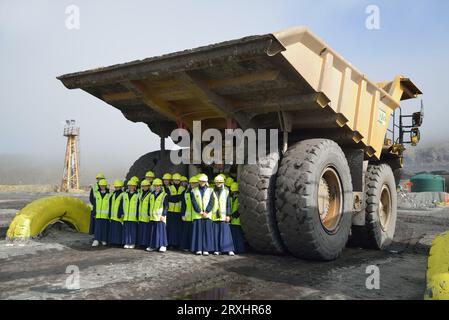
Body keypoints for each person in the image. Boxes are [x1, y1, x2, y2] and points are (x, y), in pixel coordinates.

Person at [190, 174, 215, 255]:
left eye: (203, 181)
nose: (202, 183)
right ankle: (198, 249)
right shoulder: (193, 190)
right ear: (198, 181)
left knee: (206, 233)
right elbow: (194, 202)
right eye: (200, 181)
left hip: (207, 215)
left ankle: (206, 249)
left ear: (206, 182)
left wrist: (206, 211)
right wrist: (199, 211)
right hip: (198, 215)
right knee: (198, 233)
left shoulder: (211, 190)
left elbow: (212, 202)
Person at [212, 175, 235, 256]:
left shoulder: (226, 191)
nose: (219, 184)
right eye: (217, 182)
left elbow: (228, 204)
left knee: (226, 233)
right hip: (214, 216)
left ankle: (229, 249)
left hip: (224, 216)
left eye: (220, 182)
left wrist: (228, 215)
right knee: (216, 234)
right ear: (215, 182)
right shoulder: (211, 191)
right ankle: (217, 249)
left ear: (223, 183)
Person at [147, 178, 169, 252]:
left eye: (158, 186)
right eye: (155, 186)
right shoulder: (151, 195)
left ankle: (163, 245)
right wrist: (148, 213)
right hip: (153, 217)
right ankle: (153, 246)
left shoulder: (164, 195)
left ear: (161, 186)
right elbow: (149, 205)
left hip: (160, 217)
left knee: (161, 232)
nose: (157, 187)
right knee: (153, 232)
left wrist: (163, 215)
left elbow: (166, 206)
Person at [166, 173, 185, 248]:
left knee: (178, 229)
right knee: (170, 229)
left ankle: (177, 244)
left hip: (179, 212)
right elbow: (169, 198)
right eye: (175, 180)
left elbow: (181, 198)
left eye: (178, 180)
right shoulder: (169, 188)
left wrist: (174, 198)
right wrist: (178, 197)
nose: (176, 181)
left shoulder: (183, 189)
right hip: (170, 211)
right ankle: (170, 243)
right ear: (172, 181)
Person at [180, 176, 198, 251]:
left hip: (196, 216)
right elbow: (183, 204)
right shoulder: (186, 192)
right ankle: (186, 246)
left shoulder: (198, 191)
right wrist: (182, 214)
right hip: (187, 216)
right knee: (186, 233)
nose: (193, 185)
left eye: (194, 183)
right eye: (192, 183)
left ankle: (194, 247)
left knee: (194, 233)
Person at [92, 179, 110, 247]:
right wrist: (94, 213)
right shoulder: (97, 194)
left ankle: (103, 240)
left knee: (104, 228)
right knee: (97, 228)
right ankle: (96, 240)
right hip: (98, 215)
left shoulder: (109, 195)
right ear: (99, 186)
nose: (102, 187)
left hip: (105, 215)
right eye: (101, 186)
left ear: (105, 186)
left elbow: (110, 205)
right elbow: (95, 204)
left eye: (103, 185)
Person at [122, 179, 140, 249]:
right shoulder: (124, 194)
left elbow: (139, 206)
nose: (130, 187)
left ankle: (132, 243)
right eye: (129, 186)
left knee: (133, 231)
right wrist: (122, 213)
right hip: (126, 216)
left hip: (133, 217)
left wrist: (138, 215)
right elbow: (122, 205)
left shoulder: (137, 195)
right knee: (126, 230)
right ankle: (127, 242)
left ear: (135, 187)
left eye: (132, 186)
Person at [229, 182, 245, 254]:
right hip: (234, 221)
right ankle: (237, 249)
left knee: (238, 236)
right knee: (236, 236)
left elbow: (239, 210)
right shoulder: (234, 198)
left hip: (237, 220)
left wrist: (232, 216)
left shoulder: (239, 198)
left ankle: (240, 249)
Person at [108, 179, 125, 246]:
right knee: (113, 230)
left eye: (118, 187)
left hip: (119, 216)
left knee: (118, 230)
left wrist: (121, 213)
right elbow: (110, 204)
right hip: (113, 216)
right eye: (116, 187)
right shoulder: (113, 194)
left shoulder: (123, 194)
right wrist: (109, 213)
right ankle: (113, 242)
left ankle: (118, 243)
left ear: (121, 187)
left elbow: (123, 205)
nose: (117, 188)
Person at [137, 180, 152, 248]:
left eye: (145, 186)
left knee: (146, 231)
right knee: (141, 231)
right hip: (141, 216)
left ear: (148, 186)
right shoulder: (141, 193)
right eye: (143, 186)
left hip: (147, 216)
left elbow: (150, 205)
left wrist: (149, 214)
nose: (144, 187)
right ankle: (141, 244)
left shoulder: (150, 194)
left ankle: (146, 244)